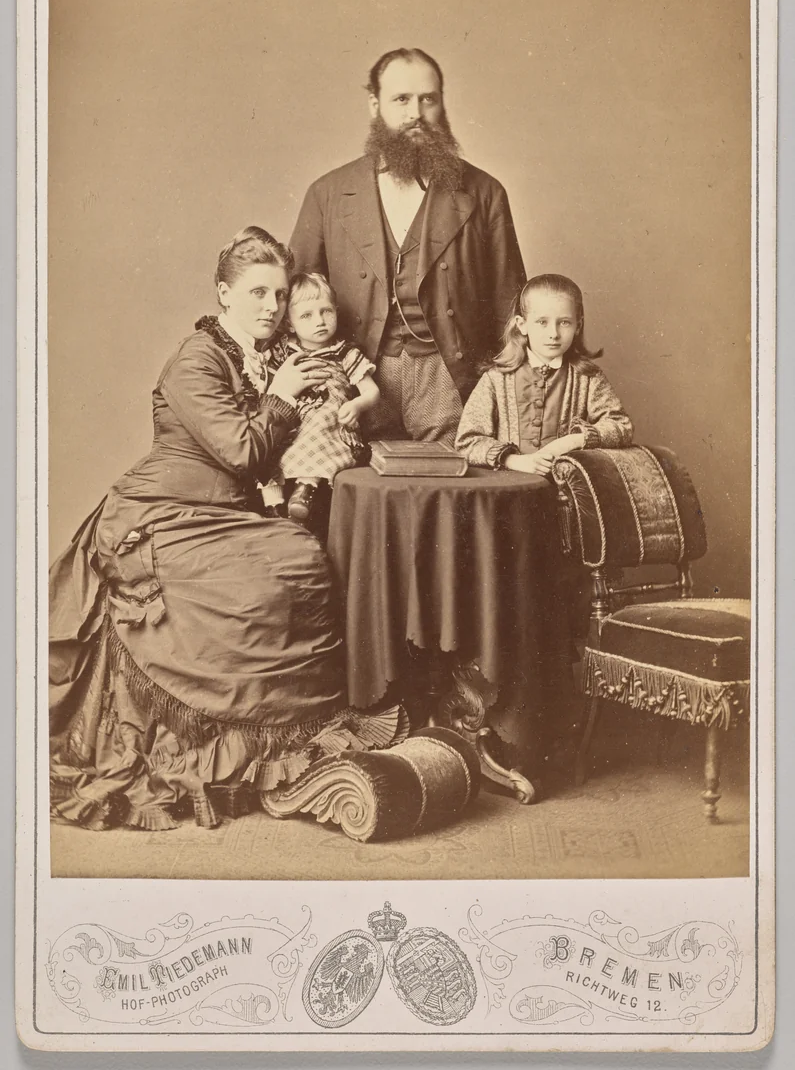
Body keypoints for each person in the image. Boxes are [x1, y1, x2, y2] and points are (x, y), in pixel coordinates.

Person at [49, 226, 405, 832]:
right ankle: (232, 751)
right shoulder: (198, 358)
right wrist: (287, 398)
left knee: (301, 558)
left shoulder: (262, 356)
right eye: (257, 293)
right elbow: (241, 453)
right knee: (280, 572)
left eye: (278, 294)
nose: (271, 307)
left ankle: (277, 741)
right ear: (223, 294)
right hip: (160, 515)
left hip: (221, 514)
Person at [289, 47, 526, 446]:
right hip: (355, 377)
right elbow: (294, 297)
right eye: (401, 99)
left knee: (449, 490)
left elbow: (510, 303)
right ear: (374, 104)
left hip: (448, 375)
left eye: (428, 99)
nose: (415, 112)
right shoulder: (327, 194)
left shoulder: (485, 193)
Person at [455, 274, 633, 469]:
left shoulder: (588, 377)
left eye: (564, 322)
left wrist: (574, 440)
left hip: (566, 491)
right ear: (522, 325)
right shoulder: (496, 378)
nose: (553, 334)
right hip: (508, 487)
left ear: (578, 326)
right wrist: (514, 460)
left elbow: (621, 426)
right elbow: (467, 442)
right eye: (542, 322)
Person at [260, 272, 380, 525]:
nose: (320, 321)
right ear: (289, 323)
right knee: (266, 443)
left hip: (329, 421)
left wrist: (356, 404)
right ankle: (273, 506)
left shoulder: (345, 353)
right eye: (306, 315)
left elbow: (372, 392)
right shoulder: (282, 352)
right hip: (291, 417)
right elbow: (268, 388)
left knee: (321, 422)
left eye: (326, 311)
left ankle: (306, 488)